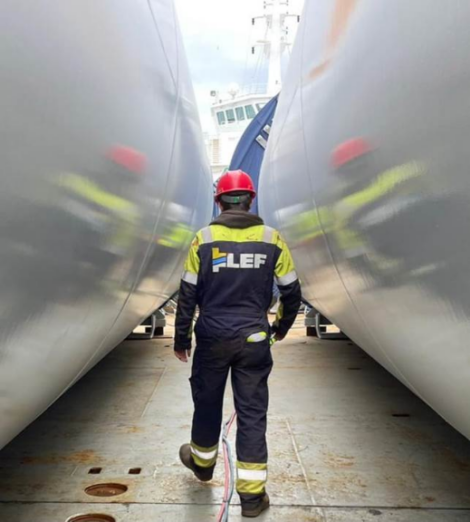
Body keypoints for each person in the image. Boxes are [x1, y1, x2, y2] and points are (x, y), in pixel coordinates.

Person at [174, 170, 302, 518]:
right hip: (254, 339)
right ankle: (251, 497)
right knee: (251, 414)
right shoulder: (272, 239)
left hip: (212, 337)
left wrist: (181, 338)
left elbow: (187, 295)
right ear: (251, 199)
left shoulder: (203, 239)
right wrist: (280, 328)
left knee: (207, 403)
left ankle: (202, 466)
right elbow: (292, 292)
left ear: (219, 201)